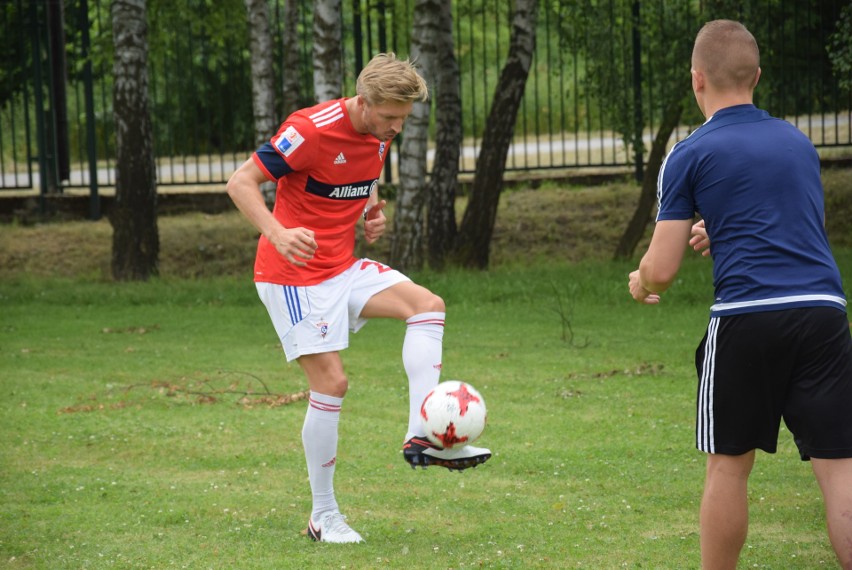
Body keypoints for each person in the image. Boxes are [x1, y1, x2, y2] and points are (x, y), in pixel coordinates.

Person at [226, 53, 491, 545]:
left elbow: (357, 175)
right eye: (389, 117)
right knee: (333, 382)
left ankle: (425, 435)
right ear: (363, 102)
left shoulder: (379, 134)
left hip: (340, 267)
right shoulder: (309, 129)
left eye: (403, 119)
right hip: (291, 275)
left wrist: (370, 210)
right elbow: (240, 182)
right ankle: (322, 516)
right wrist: (277, 232)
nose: (395, 128)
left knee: (427, 306)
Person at [628, 20, 852, 569]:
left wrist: (641, 281)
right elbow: (789, 227)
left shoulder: (689, 152)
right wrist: (721, 229)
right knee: (841, 467)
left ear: (696, 79)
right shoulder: (799, 144)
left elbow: (661, 268)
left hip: (746, 317)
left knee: (728, 466)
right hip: (824, 313)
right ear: (758, 76)